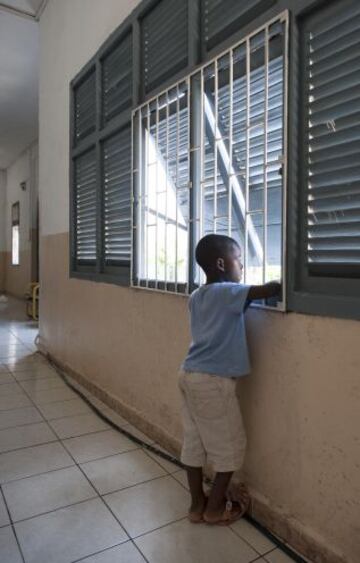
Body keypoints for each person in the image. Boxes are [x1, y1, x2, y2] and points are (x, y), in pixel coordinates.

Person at [179, 233, 281, 525]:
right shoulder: (228, 291)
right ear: (222, 263)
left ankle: (196, 504)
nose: (242, 268)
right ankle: (214, 508)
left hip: (188, 375)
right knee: (230, 446)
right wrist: (282, 283)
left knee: (194, 442)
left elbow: (229, 312)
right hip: (212, 382)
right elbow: (267, 290)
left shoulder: (197, 296)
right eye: (240, 261)